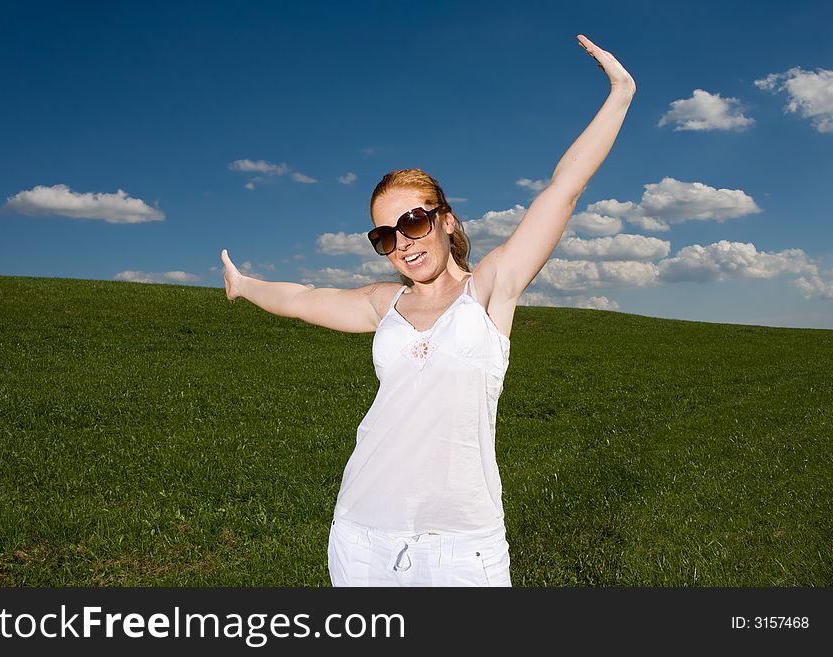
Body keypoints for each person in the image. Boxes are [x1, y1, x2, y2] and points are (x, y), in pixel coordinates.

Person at [221, 34, 636, 586]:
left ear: (446, 220)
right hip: (362, 536)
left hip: (462, 548)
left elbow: (564, 188)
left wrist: (621, 92)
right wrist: (244, 284)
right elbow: (301, 299)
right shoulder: (383, 303)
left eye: (414, 223)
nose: (404, 244)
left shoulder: (491, 288)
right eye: (386, 235)